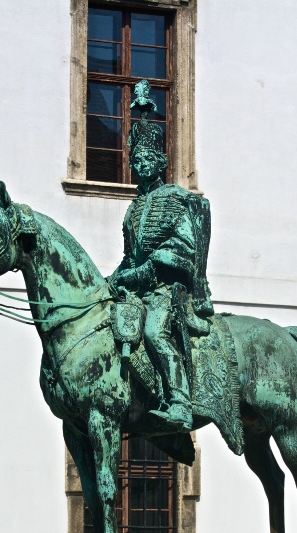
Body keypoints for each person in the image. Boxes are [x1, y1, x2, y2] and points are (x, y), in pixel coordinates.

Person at [108, 80, 214, 432]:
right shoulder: (133, 211)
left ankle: (181, 402)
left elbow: (182, 249)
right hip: (137, 290)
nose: (140, 165)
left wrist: (143, 273)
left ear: (160, 162)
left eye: (147, 159)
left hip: (166, 291)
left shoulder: (175, 198)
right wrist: (113, 279)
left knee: (154, 333)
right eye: (135, 160)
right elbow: (129, 258)